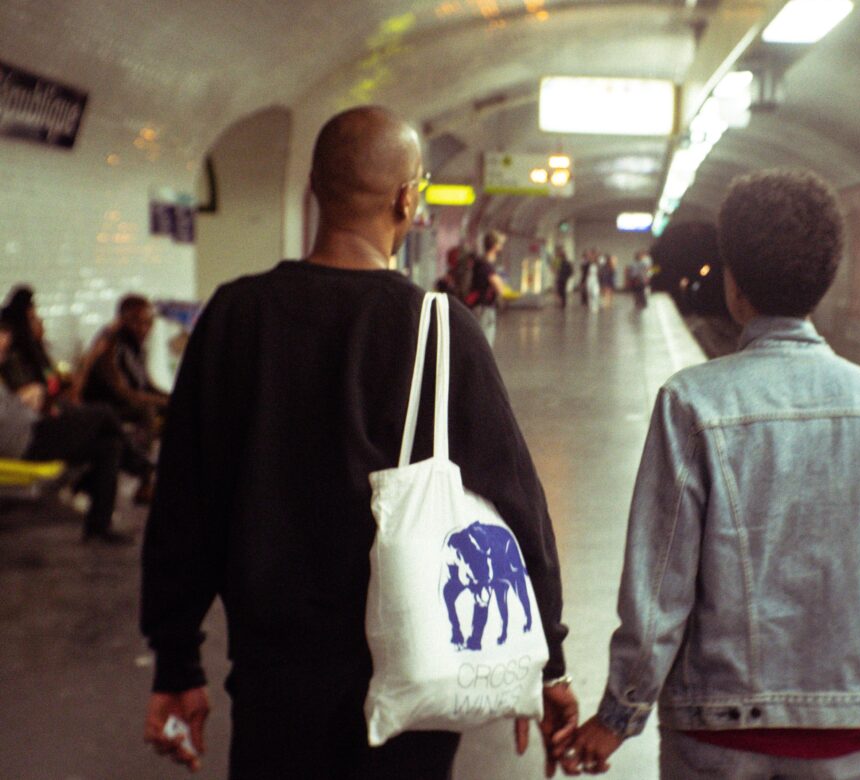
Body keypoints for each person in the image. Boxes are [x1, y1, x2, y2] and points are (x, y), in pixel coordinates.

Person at [139, 106, 577, 779]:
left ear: (312, 188)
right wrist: (546, 661)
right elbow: (517, 506)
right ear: (409, 198)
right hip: (411, 677)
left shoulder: (235, 317)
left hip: (271, 682)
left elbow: (183, 507)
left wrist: (176, 662)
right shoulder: (438, 328)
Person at [562, 170, 860, 779]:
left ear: (734, 285)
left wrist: (618, 715)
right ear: (827, 279)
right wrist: (850, 673)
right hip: (846, 731)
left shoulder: (692, 403)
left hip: (716, 727)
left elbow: (660, 587)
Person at [0, 319, 132, 544]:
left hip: (33, 429)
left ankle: (98, 528)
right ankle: (143, 468)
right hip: (25, 440)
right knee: (103, 413)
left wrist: (30, 398)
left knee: (109, 446)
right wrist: (25, 398)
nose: (5, 349)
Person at [81, 294, 170, 433]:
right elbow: (123, 393)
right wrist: (163, 402)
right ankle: (142, 455)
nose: (142, 328)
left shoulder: (136, 346)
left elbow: (146, 384)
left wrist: (173, 397)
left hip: (127, 404)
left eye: (147, 323)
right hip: (107, 407)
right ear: (121, 320)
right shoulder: (110, 346)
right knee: (148, 411)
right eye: (136, 321)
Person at [466, 229, 511, 346]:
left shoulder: (481, 262)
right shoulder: (486, 265)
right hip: (483, 308)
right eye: (500, 244)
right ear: (494, 246)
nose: (502, 246)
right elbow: (500, 288)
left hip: (478, 306)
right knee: (484, 342)